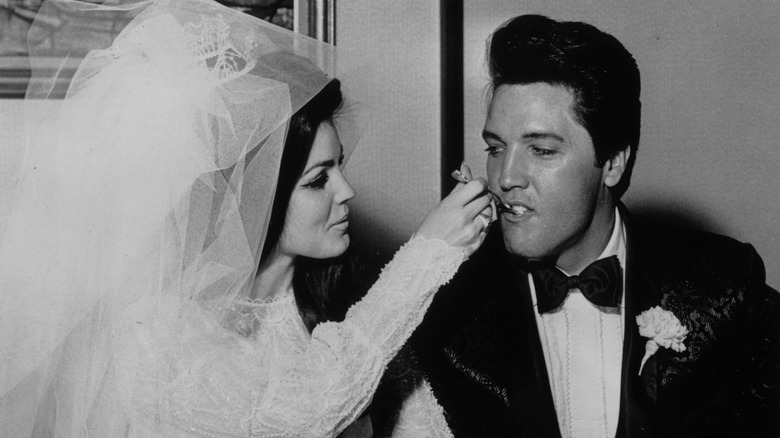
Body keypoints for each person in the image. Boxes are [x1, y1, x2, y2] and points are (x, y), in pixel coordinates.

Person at [0, 0, 489, 436]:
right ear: (255, 195)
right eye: (319, 179)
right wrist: (426, 257)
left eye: (340, 166)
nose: (347, 191)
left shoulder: (345, 301)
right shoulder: (155, 334)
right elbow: (297, 416)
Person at [412, 14, 779, 437]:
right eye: (496, 148)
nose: (505, 177)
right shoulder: (448, 307)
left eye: (542, 150)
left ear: (612, 163)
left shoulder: (724, 283)